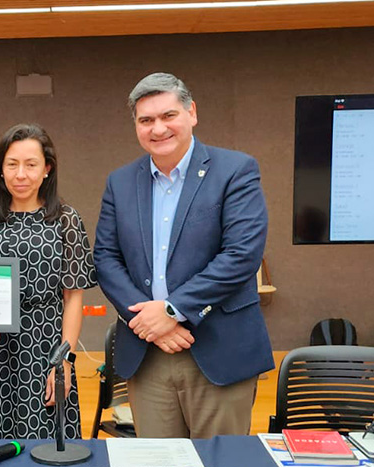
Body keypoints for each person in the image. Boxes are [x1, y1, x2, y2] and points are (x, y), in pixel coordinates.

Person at [94, 73, 274, 439]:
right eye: (146, 120)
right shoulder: (120, 182)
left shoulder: (235, 170)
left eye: (168, 115)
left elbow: (241, 255)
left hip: (217, 349)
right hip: (148, 353)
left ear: (191, 113)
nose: (158, 128)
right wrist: (147, 320)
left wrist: (172, 310)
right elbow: (106, 258)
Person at [0, 123, 97, 440]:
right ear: (1, 170)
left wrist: (64, 360)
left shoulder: (65, 220)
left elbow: (73, 297)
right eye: (12, 164)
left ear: (47, 169)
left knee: (46, 445)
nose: (20, 174)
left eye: (31, 164)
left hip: (46, 348)